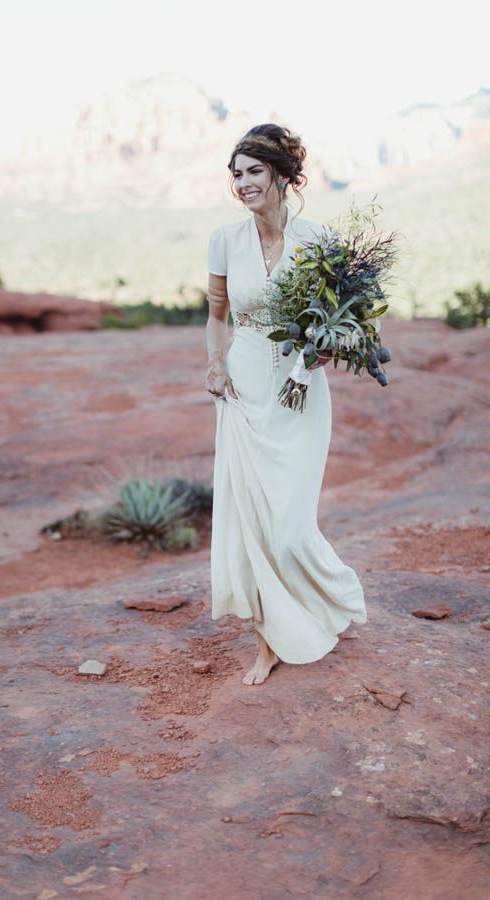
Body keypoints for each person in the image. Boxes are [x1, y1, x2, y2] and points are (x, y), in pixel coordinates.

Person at [204, 123, 367, 686]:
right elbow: (218, 315)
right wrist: (215, 362)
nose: (243, 183)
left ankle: (333, 596)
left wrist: (331, 346)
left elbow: (349, 318)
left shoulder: (318, 240)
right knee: (252, 521)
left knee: (290, 526)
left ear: (280, 176)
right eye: (237, 173)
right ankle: (268, 641)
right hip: (244, 387)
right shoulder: (224, 239)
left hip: (299, 392)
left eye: (254, 172)